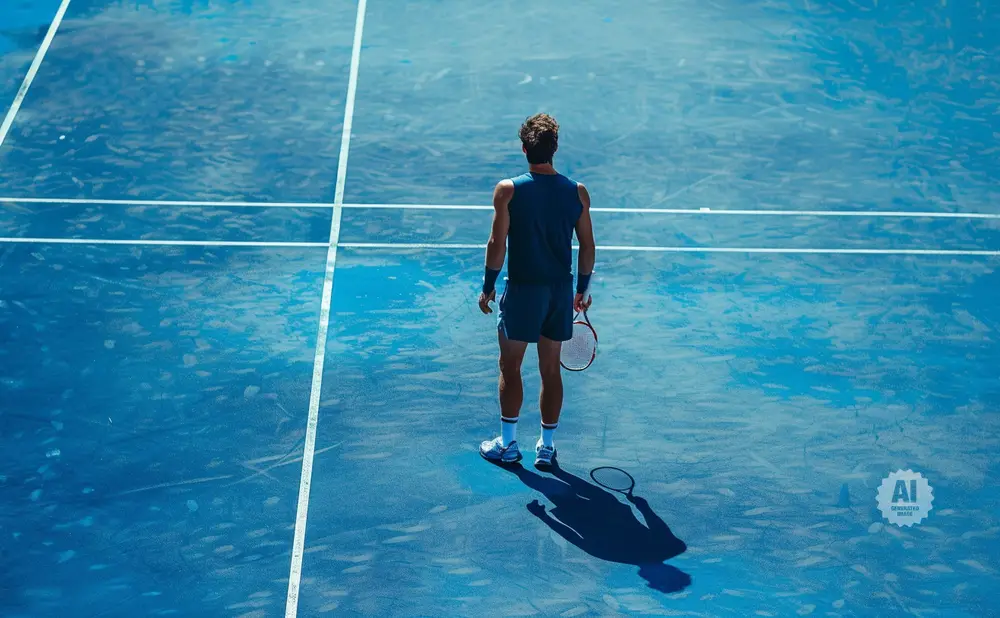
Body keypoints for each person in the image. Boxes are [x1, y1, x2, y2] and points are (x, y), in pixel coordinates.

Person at [477, 113, 596, 469]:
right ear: (554, 148)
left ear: (524, 148)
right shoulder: (577, 192)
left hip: (523, 292)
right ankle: (546, 447)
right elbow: (587, 245)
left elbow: (497, 243)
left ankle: (508, 444)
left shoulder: (508, 190)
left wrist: (488, 286)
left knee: (510, 365)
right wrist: (582, 289)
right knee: (550, 370)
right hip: (558, 294)